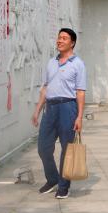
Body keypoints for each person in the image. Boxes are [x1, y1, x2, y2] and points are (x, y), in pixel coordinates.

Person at [32, 28, 86, 199]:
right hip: (50, 108)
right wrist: (37, 110)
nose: (60, 40)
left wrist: (79, 116)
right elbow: (45, 88)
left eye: (64, 38)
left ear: (72, 43)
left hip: (68, 107)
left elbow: (80, 92)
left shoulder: (78, 64)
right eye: (59, 37)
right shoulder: (51, 63)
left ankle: (64, 186)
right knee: (43, 147)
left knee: (66, 148)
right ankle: (52, 178)